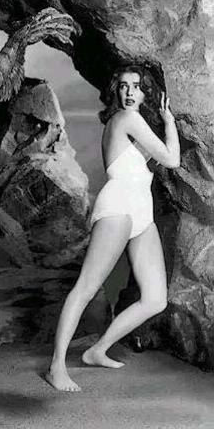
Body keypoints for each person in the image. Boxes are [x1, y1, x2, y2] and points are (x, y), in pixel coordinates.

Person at [45, 64, 180, 391]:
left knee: (156, 299)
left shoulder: (135, 125)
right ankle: (56, 367)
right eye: (123, 86)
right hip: (118, 207)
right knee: (86, 287)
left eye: (137, 86)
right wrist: (170, 122)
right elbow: (172, 160)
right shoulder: (125, 119)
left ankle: (97, 350)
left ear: (146, 93)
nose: (130, 92)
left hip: (141, 212)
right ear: (115, 91)